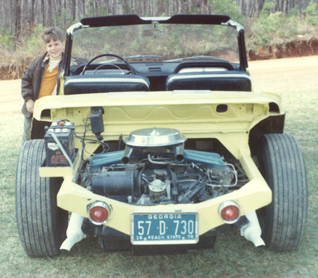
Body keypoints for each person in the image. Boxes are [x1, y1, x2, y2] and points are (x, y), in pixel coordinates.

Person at [21, 27, 65, 142]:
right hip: (35, 109)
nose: (53, 48)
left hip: (56, 110)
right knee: (31, 141)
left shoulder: (70, 64)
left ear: (63, 45)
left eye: (56, 44)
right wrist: (28, 99)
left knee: (56, 142)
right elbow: (26, 79)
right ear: (46, 47)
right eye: (50, 45)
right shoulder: (37, 63)